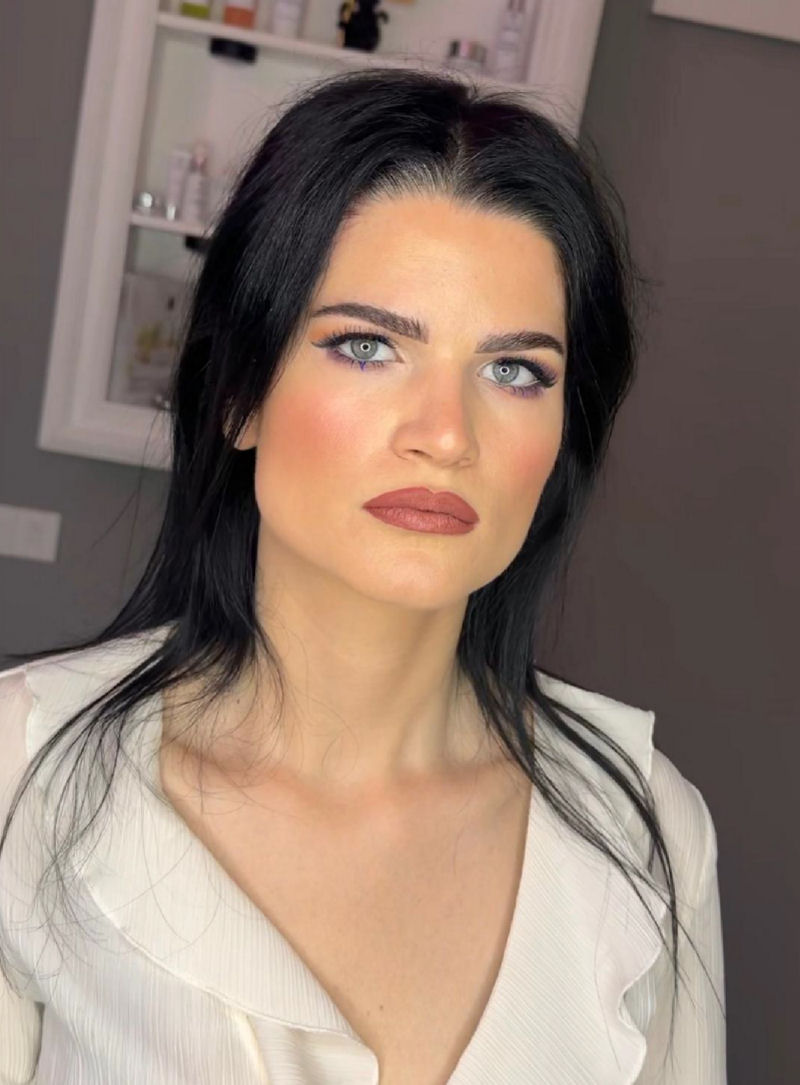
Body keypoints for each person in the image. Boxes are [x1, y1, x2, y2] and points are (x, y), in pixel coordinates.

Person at [0, 67, 726, 1084]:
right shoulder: (23, 770)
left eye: (514, 370)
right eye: (368, 346)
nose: (445, 433)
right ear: (240, 395)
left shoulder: (644, 829)